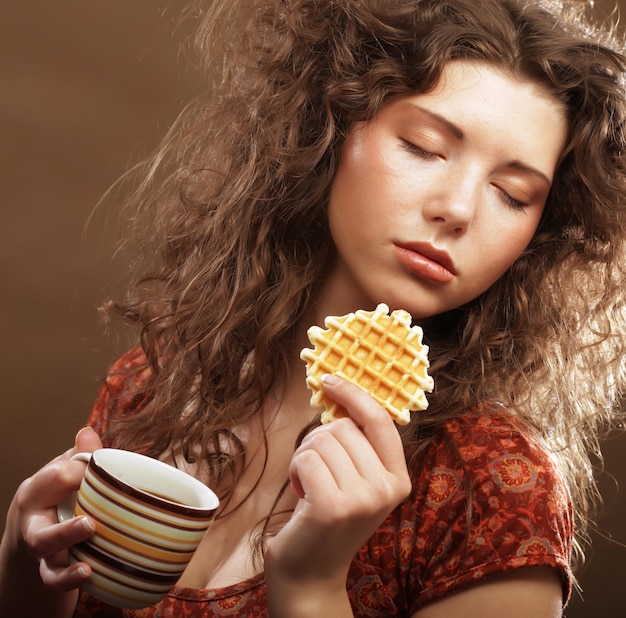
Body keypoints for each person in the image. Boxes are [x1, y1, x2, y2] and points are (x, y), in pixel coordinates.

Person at [2, 0, 626, 616]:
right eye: (424, 147)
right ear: (331, 128)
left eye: (513, 194)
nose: (458, 209)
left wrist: (314, 585)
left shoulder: (492, 483)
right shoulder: (153, 385)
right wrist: (27, 577)